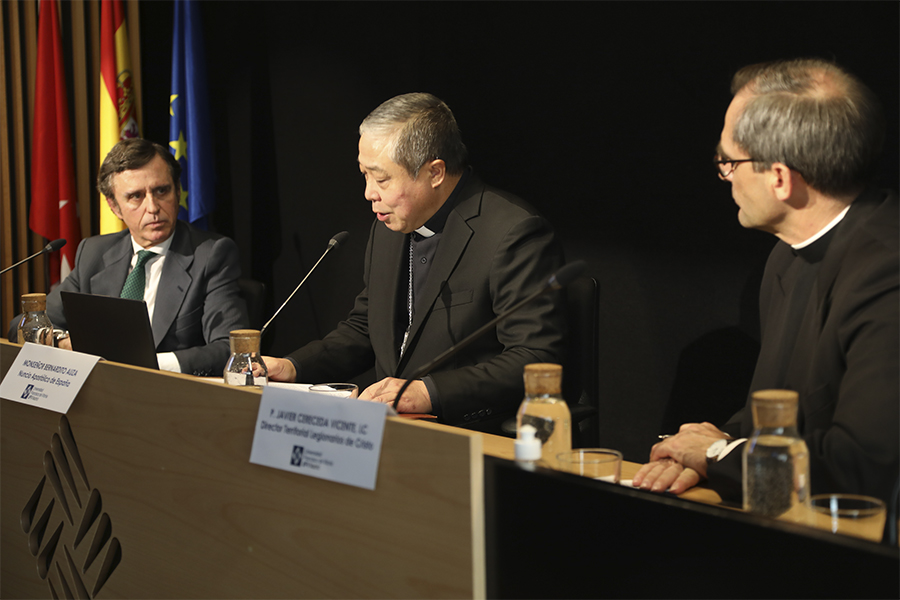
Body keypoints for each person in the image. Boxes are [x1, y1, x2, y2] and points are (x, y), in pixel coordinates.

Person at [633, 58, 899, 506]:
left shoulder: (888, 274)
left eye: (729, 161)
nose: (726, 176)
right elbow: (780, 413)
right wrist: (697, 450)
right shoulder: (785, 255)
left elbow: (865, 467)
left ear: (779, 178)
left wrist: (719, 454)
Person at [265, 93, 566, 427]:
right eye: (364, 174)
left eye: (381, 179)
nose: (369, 193)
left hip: (471, 433)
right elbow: (366, 328)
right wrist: (293, 367)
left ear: (435, 172)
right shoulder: (390, 226)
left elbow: (535, 357)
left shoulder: (513, 233)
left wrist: (428, 392)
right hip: (388, 430)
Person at [43, 138, 248, 376]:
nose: (152, 207)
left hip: (168, 395)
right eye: (136, 196)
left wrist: (145, 364)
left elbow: (229, 349)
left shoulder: (212, 254)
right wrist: (61, 341)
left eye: (162, 191)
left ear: (178, 190)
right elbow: (28, 322)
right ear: (114, 206)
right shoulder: (94, 253)